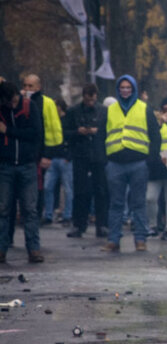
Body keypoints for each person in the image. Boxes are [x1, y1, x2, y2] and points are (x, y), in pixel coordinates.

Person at [99, 75, 160, 253]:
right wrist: (104, 160)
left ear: (133, 90)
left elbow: (155, 136)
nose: (125, 90)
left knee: (138, 203)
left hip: (138, 163)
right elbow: (101, 136)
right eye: (122, 88)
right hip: (115, 163)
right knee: (116, 204)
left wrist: (150, 160)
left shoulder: (144, 108)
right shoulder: (110, 110)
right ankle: (113, 240)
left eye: (128, 88)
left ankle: (140, 239)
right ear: (118, 90)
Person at [0, 80, 44, 264]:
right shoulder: (2, 109)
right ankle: (1, 249)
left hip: (26, 164)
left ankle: (33, 249)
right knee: (3, 209)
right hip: (6, 165)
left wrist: (8, 131)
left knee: (30, 209)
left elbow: (35, 133)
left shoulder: (29, 106)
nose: (10, 105)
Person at [65, 84, 108, 239]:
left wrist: (97, 132)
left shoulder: (103, 111)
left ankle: (102, 225)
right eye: (88, 99)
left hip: (98, 155)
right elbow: (65, 133)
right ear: (84, 97)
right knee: (80, 191)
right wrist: (78, 132)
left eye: (93, 99)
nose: (91, 102)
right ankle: (79, 224)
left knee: (101, 191)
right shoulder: (73, 111)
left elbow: (108, 132)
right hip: (81, 155)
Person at [21, 74, 63, 220]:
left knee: (39, 186)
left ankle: (36, 214)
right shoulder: (20, 101)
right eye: (25, 85)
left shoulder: (47, 103)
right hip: (24, 151)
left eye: (30, 86)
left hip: (40, 152)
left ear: (38, 87)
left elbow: (54, 130)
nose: (27, 89)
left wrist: (48, 154)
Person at [147, 94, 167, 241]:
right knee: (150, 197)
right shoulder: (157, 125)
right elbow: (152, 140)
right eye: (164, 109)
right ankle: (153, 225)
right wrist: (160, 124)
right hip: (156, 164)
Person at [42, 98, 73, 225]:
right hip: (53, 158)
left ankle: (67, 215)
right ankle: (48, 214)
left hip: (64, 158)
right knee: (48, 187)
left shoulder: (67, 120)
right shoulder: (53, 120)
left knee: (68, 189)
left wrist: (69, 156)